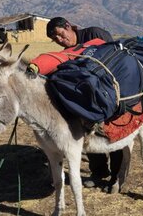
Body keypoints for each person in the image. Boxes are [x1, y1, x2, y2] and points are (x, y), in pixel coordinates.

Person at [44, 16, 123, 190]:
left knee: (113, 133)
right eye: (54, 39)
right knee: (89, 135)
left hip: (110, 94)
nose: (59, 40)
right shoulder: (67, 53)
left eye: (59, 34)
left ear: (68, 26)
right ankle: (99, 172)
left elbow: (116, 56)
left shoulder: (94, 33)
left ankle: (116, 177)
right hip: (88, 101)